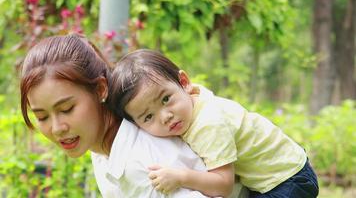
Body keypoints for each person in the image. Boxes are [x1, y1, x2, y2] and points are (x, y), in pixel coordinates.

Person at [20, 34, 245, 197]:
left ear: (100, 90)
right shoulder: (101, 148)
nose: (57, 127)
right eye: (42, 117)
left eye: (67, 109)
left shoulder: (142, 163)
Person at [108, 49, 320, 198]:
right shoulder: (192, 100)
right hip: (283, 169)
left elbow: (223, 185)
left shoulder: (208, 124)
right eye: (148, 117)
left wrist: (181, 177)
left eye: (165, 99)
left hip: (287, 178)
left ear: (184, 82)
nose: (165, 116)